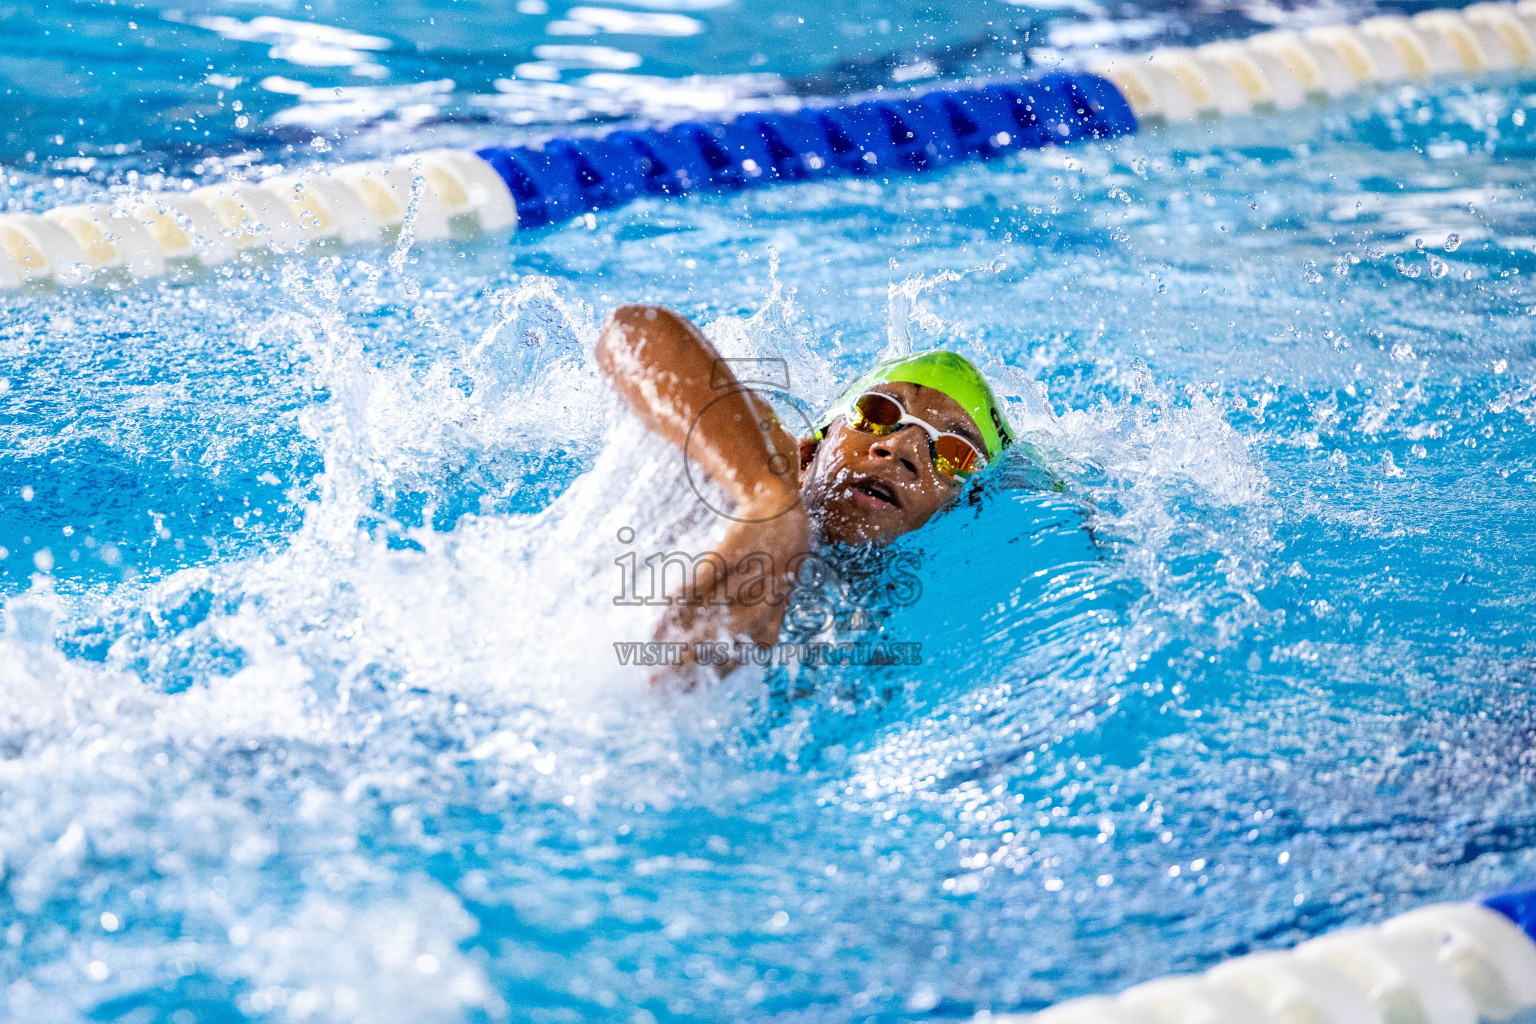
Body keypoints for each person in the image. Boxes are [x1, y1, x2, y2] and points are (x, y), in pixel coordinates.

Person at [596, 303, 1015, 681]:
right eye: (878, 413)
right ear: (809, 451)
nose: (901, 447)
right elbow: (632, 330)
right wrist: (766, 498)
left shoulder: (931, 634)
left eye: (953, 454)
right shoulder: (748, 474)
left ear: (963, 509)